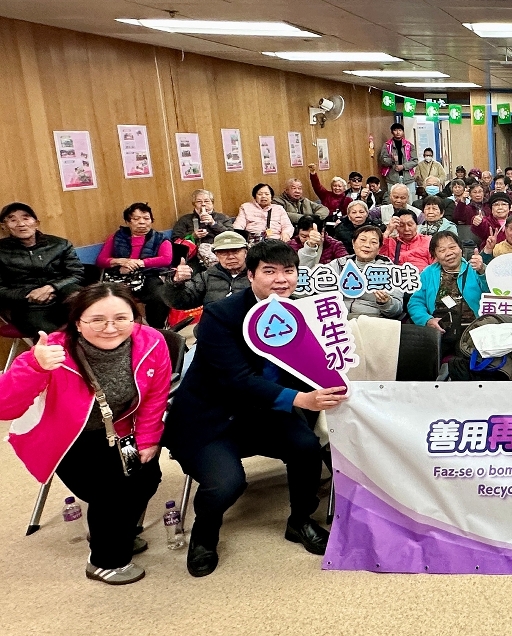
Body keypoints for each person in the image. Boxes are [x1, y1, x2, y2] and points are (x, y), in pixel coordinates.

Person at [165, 241, 346, 577]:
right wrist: (300, 400)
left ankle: (300, 520)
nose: (281, 279)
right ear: (250, 275)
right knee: (227, 483)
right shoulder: (221, 316)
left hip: (262, 413)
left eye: (289, 271)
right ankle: (204, 536)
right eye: (269, 271)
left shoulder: (302, 313)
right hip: (211, 418)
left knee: (306, 447)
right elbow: (237, 380)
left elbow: (315, 366)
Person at [0, 283, 167, 585]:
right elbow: (5, 407)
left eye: (121, 318)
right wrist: (35, 367)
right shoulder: (52, 350)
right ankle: (104, 561)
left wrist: (148, 439)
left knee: (147, 479)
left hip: (121, 431)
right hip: (68, 440)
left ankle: (116, 532)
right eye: (97, 320)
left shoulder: (151, 341)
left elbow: (155, 396)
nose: (110, 328)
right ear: (78, 322)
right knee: (111, 493)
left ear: (135, 317)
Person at [0, 202, 84, 336]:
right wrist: (30, 295)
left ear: (36, 223)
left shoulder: (60, 244)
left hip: (61, 296)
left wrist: (51, 288)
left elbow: (76, 274)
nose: (21, 224)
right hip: (26, 305)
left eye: (26, 218)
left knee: (86, 309)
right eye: (13, 220)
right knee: (50, 335)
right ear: (4, 226)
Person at [408, 232, 488, 355]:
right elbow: (415, 302)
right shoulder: (428, 273)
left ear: (460, 249)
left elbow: (491, 293)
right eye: (442, 250)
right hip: (440, 328)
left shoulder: (475, 269)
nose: (449, 253)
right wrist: (427, 320)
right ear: (435, 255)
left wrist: (482, 271)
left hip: (471, 328)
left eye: (452, 247)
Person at [95, 203, 174, 327]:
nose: (142, 222)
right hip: (120, 277)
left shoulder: (160, 238)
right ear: (128, 222)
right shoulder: (117, 237)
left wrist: (139, 263)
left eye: (146, 218)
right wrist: (120, 261)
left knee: (159, 297)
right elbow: (101, 260)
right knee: (106, 297)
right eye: (136, 219)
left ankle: (156, 329)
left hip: (149, 275)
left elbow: (166, 259)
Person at [328, 226, 404, 320]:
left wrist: (386, 302)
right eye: (363, 240)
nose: (367, 245)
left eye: (373, 242)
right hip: (337, 318)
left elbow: (397, 310)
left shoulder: (391, 272)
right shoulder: (337, 265)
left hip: (370, 320)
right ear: (353, 243)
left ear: (379, 248)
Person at [163, 231, 251, 310]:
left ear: (246, 252)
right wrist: (176, 283)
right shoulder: (206, 276)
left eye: (236, 251)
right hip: (214, 321)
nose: (230, 257)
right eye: (224, 253)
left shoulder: (256, 274)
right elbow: (178, 302)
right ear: (216, 255)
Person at [378, 122, 417, 189]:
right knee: (393, 195)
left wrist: (403, 166)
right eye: (395, 130)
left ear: (403, 132)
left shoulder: (409, 145)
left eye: (400, 130)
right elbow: (382, 160)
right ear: (392, 132)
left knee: (410, 195)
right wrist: (392, 160)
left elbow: (415, 161)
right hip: (392, 179)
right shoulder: (387, 145)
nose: (398, 132)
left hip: (408, 178)